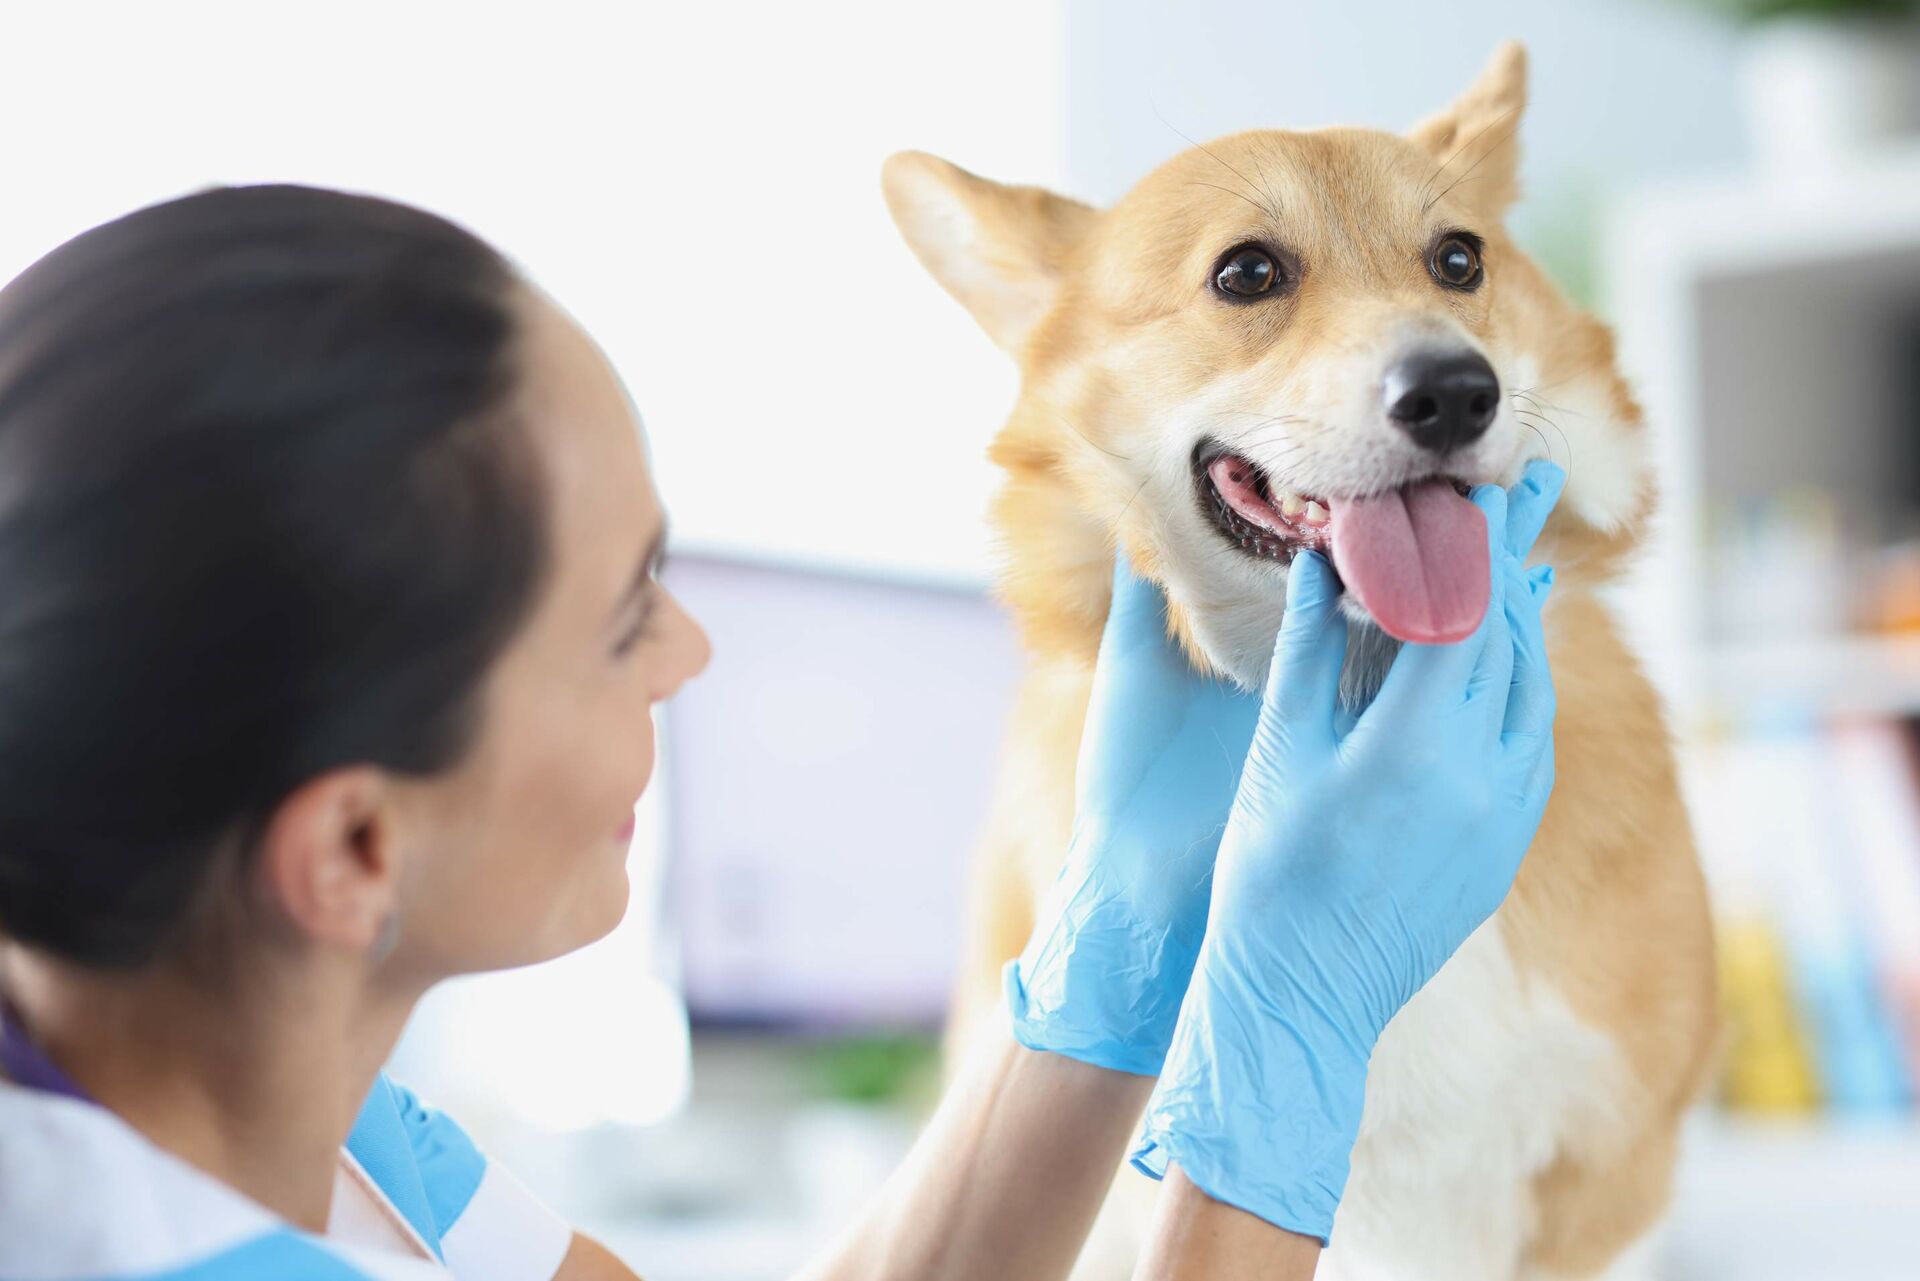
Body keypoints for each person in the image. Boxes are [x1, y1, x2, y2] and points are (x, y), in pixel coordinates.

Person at [0, 185, 1563, 1281]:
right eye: (624, 619)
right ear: (352, 847)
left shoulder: (268, 1098)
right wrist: (1286, 1047)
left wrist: (1115, 958)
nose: (691, 650)